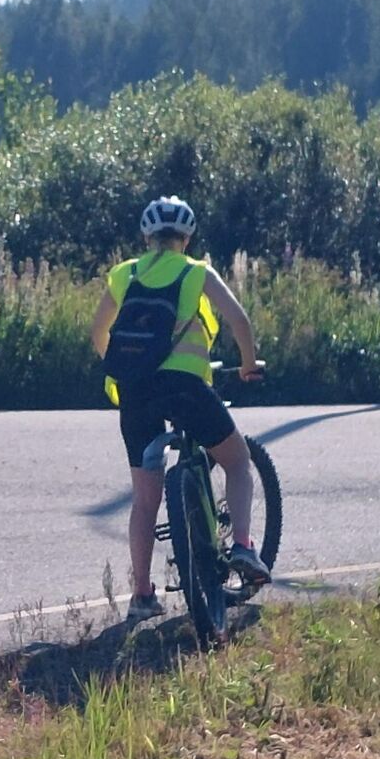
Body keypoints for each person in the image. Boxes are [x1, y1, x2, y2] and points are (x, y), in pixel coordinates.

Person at [89, 195, 267, 621]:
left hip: (135, 392)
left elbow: (98, 332)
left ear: (146, 238)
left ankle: (142, 595)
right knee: (237, 460)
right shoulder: (195, 271)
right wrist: (247, 365)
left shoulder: (125, 273)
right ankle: (243, 546)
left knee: (144, 498)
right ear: (186, 239)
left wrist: (124, 369)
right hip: (185, 384)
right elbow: (239, 321)